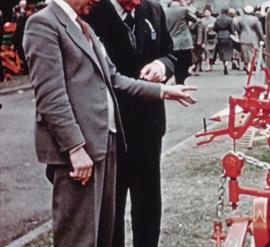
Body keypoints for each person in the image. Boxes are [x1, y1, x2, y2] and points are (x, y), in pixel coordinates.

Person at [22, 0, 196, 246]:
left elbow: (113, 78)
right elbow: (51, 97)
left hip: (106, 142)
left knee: (103, 232)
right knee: (79, 235)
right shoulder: (42, 24)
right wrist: (75, 147)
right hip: (83, 149)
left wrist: (163, 91)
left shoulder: (81, 25)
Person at [84, 0, 177, 246]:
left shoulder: (153, 9)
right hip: (109, 126)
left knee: (148, 202)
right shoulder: (91, 11)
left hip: (148, 124)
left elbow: (170, 52)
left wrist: (161, 66)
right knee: (111, 206)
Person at [165, 0, 197, 84]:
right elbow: (195, 19)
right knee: (185, 62)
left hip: (172, 41)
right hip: (184, 42)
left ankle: (177, 79)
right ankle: (181, 80)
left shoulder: (165, 11)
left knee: (176, 62)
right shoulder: (183, 10)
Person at [235, 5, 264, 72]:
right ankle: (250, 65)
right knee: (253, 52)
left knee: (245, 52)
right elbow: (259, 30)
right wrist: (262, 38)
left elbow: (237, 28)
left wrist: (240, 33)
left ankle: (246, 65)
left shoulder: (240, 19)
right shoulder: (255, 19)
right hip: (253, 37)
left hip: (243, 36)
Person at [214, 8, 234, 75]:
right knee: (228, 51)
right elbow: (232, 29)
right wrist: (232, 34)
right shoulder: (230, 19)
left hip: (220, 35)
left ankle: (223, 63)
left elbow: (215, 28)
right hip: (227, 35)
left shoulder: (217, 18)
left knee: (221, 51)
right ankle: (226, 63)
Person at [201, 6, 216, 72]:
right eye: (205, 12)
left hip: (212, 38)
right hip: (205, 38)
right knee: (206, 52)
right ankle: (207, 65)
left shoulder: (214, 20)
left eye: (208, 12)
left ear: (210, 13)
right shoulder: (202, 20)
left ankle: (211, 65)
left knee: (212, 52)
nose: (206, 13)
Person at [191, 11, 205, 76]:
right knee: (198, 55)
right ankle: (197, 69)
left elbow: (200, 33)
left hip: (194, 41)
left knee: (195, 55)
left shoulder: (195, 23)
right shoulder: (200, 23)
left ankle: (196, 68)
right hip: (198, 41)